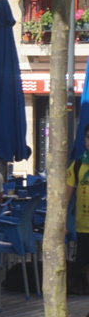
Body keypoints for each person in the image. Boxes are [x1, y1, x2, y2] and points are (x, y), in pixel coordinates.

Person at [67, 126, 89, 302]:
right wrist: (61, 222)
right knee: (83, 265)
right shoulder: (78, 164)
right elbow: (65, 196)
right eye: (88, 137)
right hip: (83, 226)